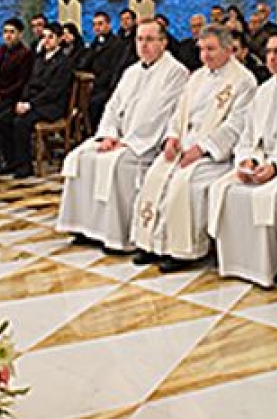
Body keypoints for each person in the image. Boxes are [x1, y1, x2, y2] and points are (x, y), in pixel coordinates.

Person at [131, 24, 257, 272]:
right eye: (202, 49)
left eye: (211, 49)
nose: (205, 56)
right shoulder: (197, 77)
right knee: (155, 175)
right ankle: (151, 243)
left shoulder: (244, 82)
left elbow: (236, 126)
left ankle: (182, 251)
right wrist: (172, 137)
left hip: (215, 156)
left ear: (228, 49)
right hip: (184, 146)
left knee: (183, 184)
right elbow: (179, 113)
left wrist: (202, 149)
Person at [57, 19, 188, 252]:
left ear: (163, 42)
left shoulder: (176, 72)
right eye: (139, 39)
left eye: (150, 39)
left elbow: (160, 115)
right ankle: (85, 227)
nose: (143, 45)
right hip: (118, 139)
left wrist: (125, 142)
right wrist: (108, 134)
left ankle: (116, 235)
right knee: (81, 157)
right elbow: (112, 106)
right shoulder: (132, 71)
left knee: (116, 164)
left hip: (145, 145)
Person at [208, 29, 277, 287]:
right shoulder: (264, 91)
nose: (272, 58)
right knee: (224, 189)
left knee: (270, 196)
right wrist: (247, 160)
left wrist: (276, 166)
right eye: (269, 52)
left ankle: (271, 266)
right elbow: (247, 135)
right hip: (260, 160)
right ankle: (237, 263)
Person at [0, 22, 71, 179]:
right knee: (0, 120)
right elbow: (29, 83)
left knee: (21, 123)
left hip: (51, 105)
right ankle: (11, 160)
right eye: (44, 37)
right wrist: (22, 100)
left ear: (59, 39)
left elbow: (53, 91)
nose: (47, 40)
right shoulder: (40, 59)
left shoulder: (64, 62)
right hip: (32, 101)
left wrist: (30, 104)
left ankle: (25, 165)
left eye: (51, 37)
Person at [0, 17, 34, 170]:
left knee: (0, 119)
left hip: (13, 96)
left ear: (20, 34)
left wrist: (1, 95)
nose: (8, 36)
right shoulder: (0, 52)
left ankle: (10, 159)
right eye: (5, 32)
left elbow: (22, 82)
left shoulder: (25, 54)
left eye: (12, 32)